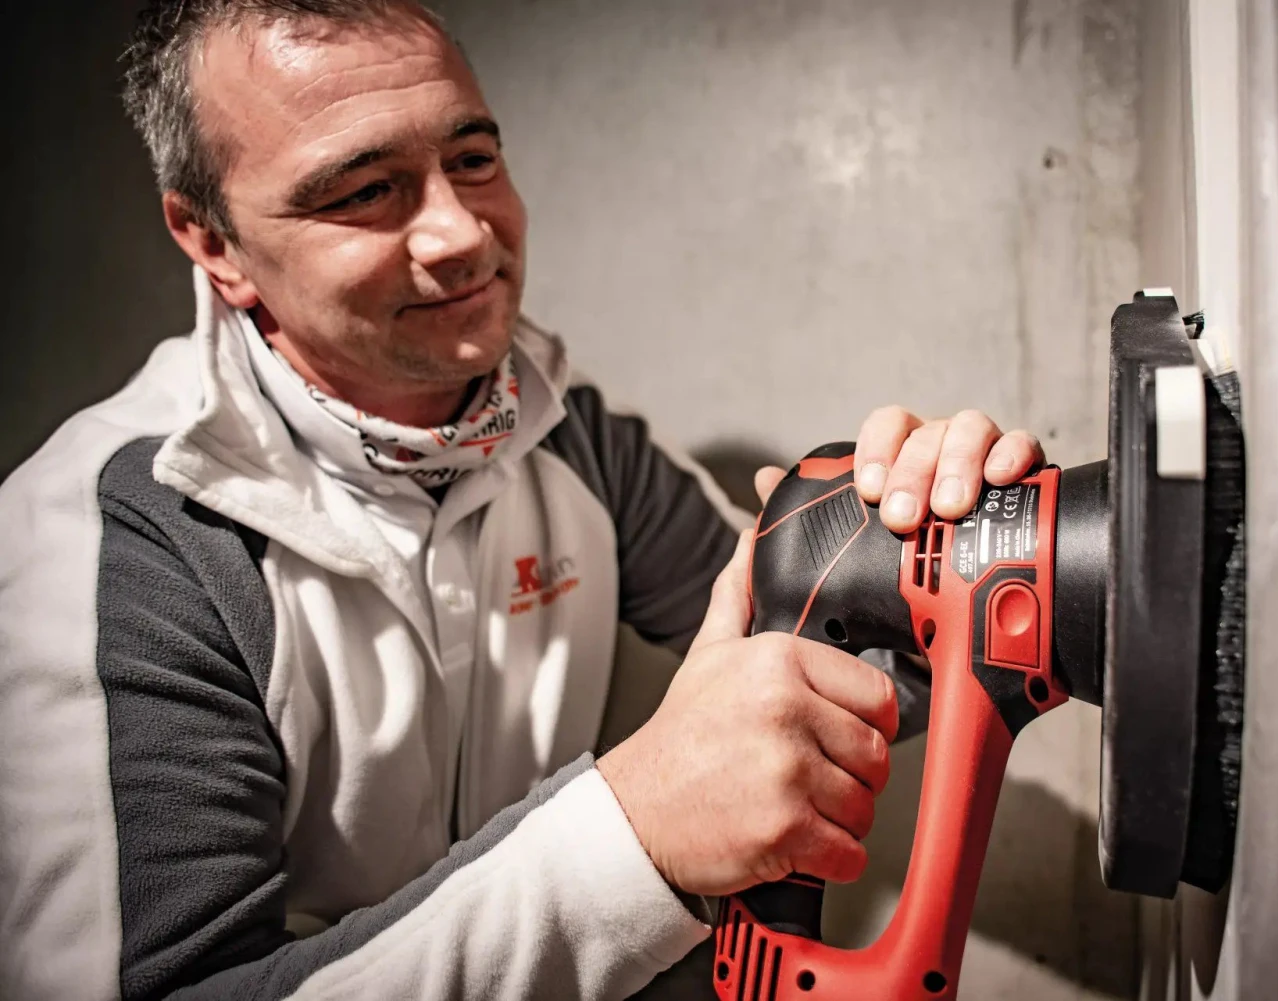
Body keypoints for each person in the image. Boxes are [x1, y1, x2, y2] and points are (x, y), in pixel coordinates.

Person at [0, 2, 1045, 999]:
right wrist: (634, 837)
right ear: (214, 242)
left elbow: (850, 671)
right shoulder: (116, 545)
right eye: (364, 190)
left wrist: (942, 561)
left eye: (471, 159)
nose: (462, 231)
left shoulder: (569, 432)